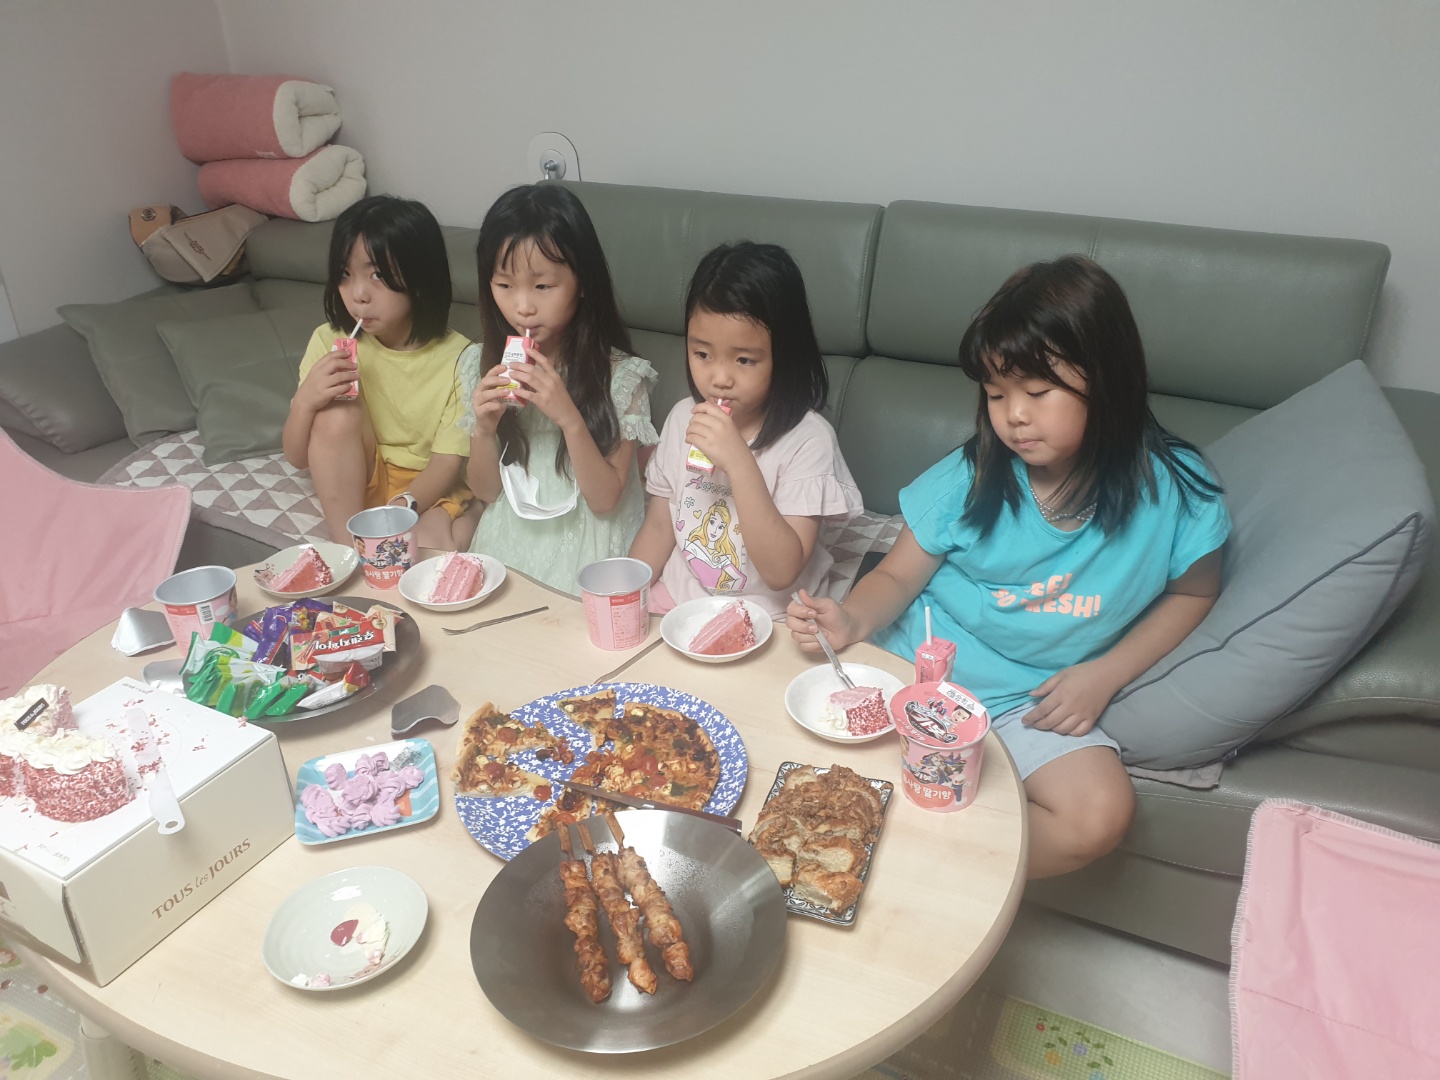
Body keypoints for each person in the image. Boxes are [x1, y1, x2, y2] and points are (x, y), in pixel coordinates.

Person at [786, 255, 1231, 879]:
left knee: (1098, 816)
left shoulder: (1178, 492)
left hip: (1030, 700)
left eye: (1037, 392)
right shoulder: (970, 478)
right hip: (920, 673)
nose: (1013, 414)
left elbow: (1194, 594)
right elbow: (897, 575)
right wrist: (851, 619)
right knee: (810, 769)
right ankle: (880, 863)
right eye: (996, 394)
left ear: (1108, 378)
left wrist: (1105, 675)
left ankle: (928, 872)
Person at [630, 242, 863, 616]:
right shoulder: (682, 417)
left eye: (743, 360)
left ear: (785, 356)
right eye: (702, 354)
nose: (719, 378)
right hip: (679, 598)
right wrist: (629, 593)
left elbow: (781, 572)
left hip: (771, 613)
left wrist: (740, 462)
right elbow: (659, 527)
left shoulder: (809, 441)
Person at [454, 184, 659, 591]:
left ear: (582, 282)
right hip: (511, 532)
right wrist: (485, 430)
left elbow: (605, 501)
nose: (523, 307)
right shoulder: (479, 363)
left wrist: (569, 418)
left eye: (542, 286)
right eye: (504, 286)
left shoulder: (623, 377)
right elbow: (487, 493)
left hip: (592, 541)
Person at [282, 195, 471, 547]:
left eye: (378, 276)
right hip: (357, 482)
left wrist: (401, 508)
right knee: (335, 411)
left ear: (420, 278)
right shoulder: (328, 341)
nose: (358, 294)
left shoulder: (461, 358)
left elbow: (446, 463)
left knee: (434, 548)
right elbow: (296, 458)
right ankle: (350, 551)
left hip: (425, 489)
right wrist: (306, 401)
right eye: (345, 274)